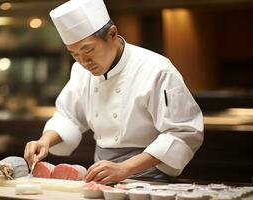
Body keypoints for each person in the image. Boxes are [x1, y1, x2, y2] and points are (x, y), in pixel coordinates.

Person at [24, 0, 203, 184]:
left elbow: (183, 132)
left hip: (150, 176)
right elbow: (69, 116)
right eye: (74, 54)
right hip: (102, 174)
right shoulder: (80, 71)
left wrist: (126, 168)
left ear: (112, 34)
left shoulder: (157, 69)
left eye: (88, 50)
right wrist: (44, 141)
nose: (84, 62)